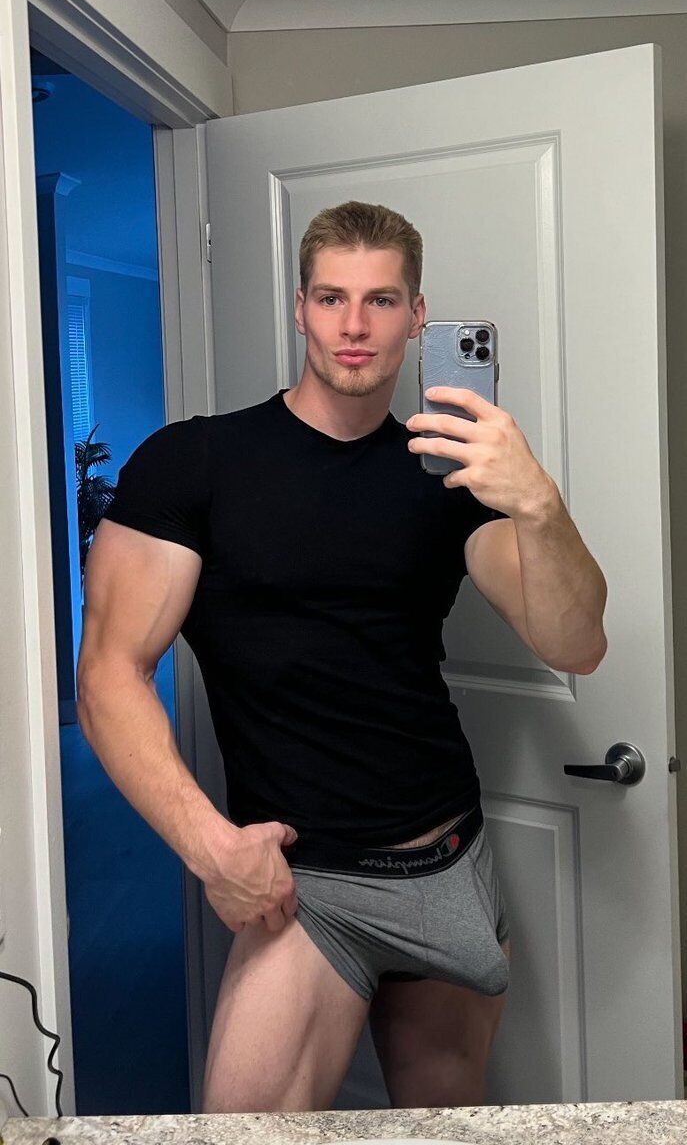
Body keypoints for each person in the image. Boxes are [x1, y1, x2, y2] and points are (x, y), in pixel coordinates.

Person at [77, 200, 607, 1114]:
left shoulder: (450, 476)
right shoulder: (194, 462)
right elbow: (106, 673)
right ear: (299, 308)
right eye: (331, 298)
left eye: (380, 300)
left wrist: (538, 505)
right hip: (306, 880)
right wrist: (210, 847)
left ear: (416, 316)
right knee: (243, 1133)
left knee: (445, 1123)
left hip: (448, 855)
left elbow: (575, 643)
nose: (354, 325)